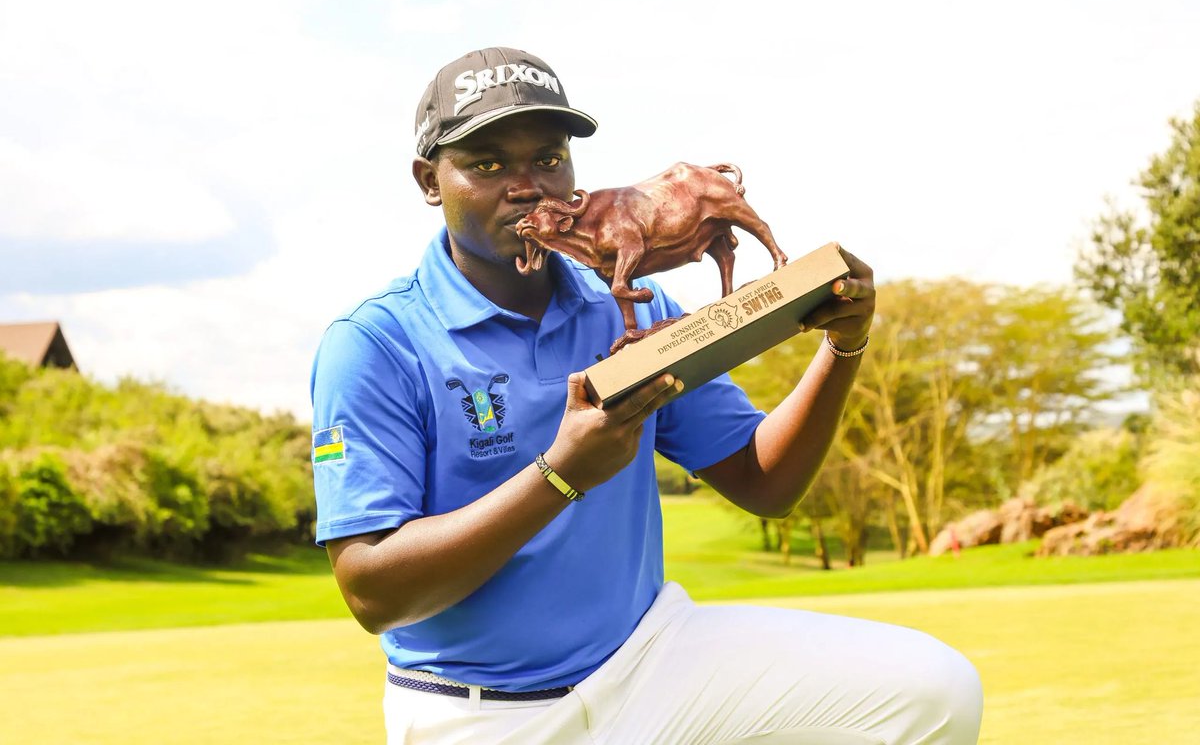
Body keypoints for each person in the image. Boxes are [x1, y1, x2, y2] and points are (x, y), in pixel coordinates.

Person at [310, 46, 983, 744]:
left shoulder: (633, 304)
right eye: (487, 165)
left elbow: (764, 481)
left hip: (651, 659)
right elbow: (373, 592)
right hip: (478, 708)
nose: (528, 187)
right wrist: (561, 475)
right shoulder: (376, 342)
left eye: (549, 159)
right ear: (429, 180)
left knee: (935, 691)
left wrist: (843, 344)